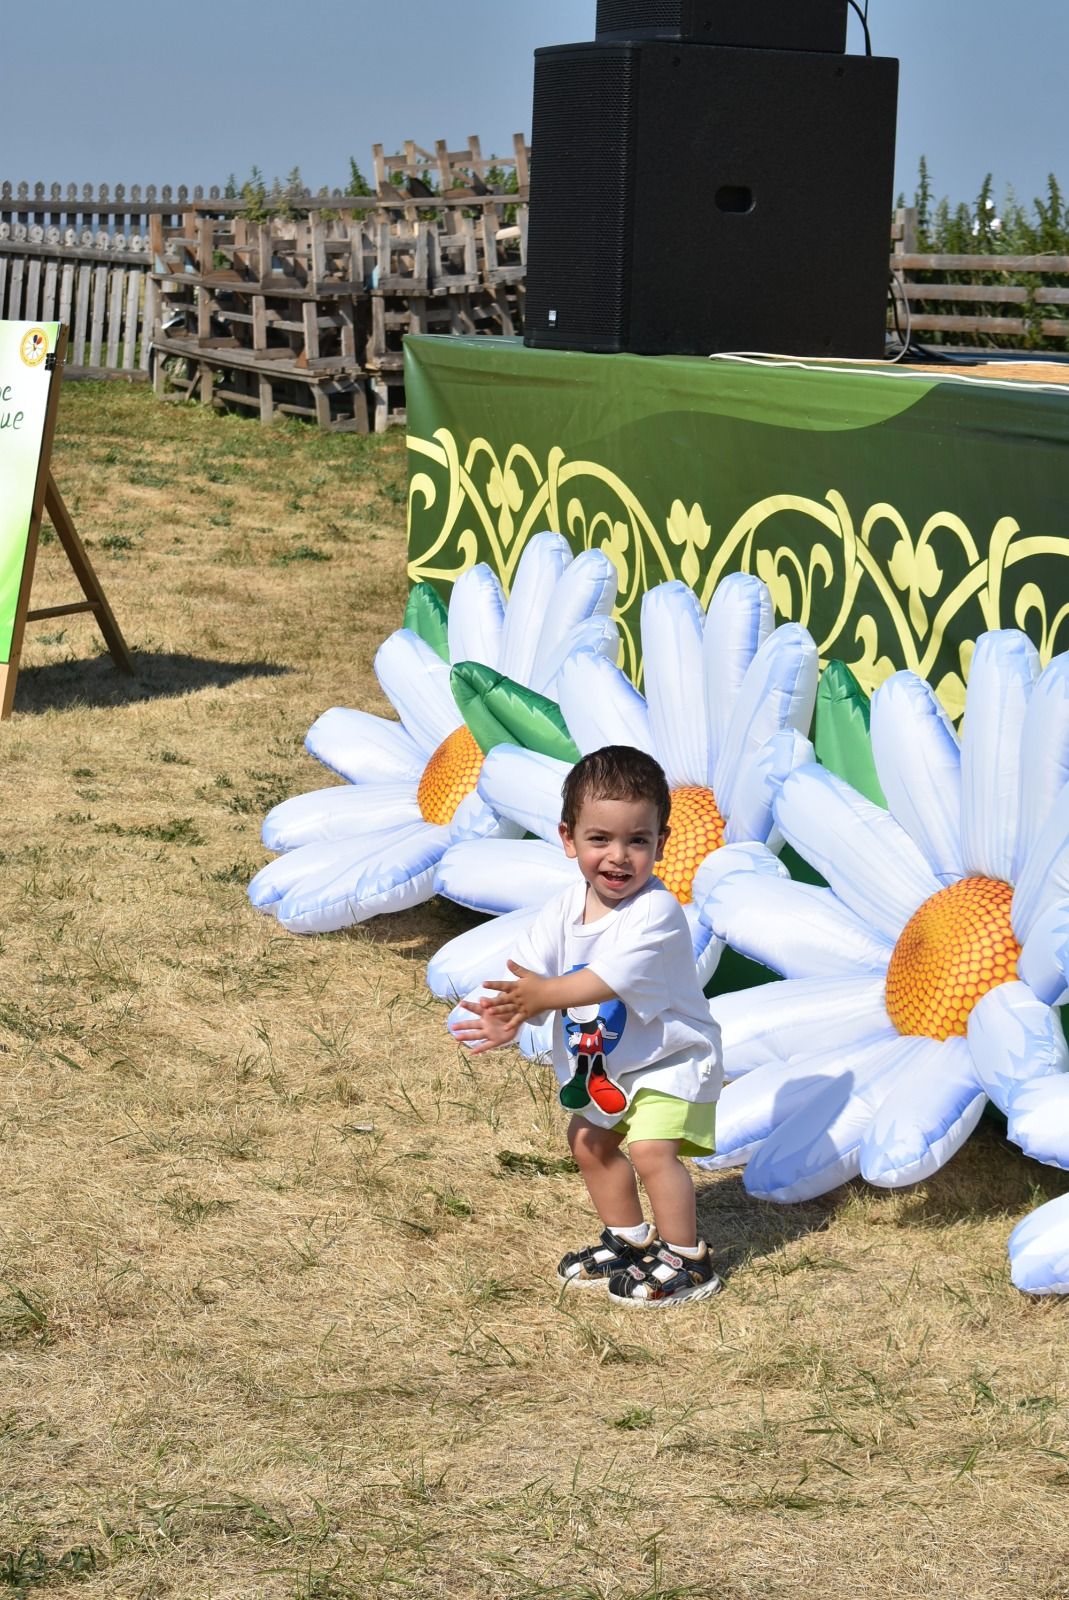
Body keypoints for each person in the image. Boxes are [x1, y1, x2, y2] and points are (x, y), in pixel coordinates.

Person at [450, 745, 723, 1306]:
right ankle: (629, 1239)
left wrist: (539, 999)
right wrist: (506, 1015)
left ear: (661, 843)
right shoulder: (562, 908)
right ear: (568, 837)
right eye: (600, 839)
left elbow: (602, 980)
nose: (618, 856)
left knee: (650, 1150)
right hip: (608, 1067)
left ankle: (687, 1258)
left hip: (671, 1060)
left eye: (637, 841)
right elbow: (528, 972)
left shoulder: (657, 913)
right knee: (589, 1140)